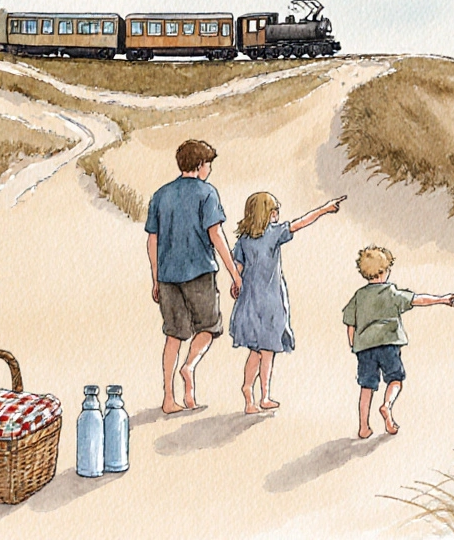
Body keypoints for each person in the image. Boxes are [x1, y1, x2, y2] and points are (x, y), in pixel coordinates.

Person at [146, 139, 243, 414]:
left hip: (167, 275)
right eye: (208, 164)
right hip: (199, 271)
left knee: (173, 335)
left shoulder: (161, 195)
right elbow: (216, 235)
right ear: (200, 165)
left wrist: (155, 278)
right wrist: (235, 274)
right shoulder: (207, 193)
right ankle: (189, 366)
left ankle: (168, 398)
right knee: (210, 326)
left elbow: (152, 240)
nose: (209, 169)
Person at [229, 192, 346, 414]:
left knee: (256, 350)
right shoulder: (274, 233)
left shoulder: (244, 239)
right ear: (267, 214)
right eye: (274, 211)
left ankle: (248, 390)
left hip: (250, 299)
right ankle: (264, 395)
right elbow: (300, 223)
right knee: (268, 349)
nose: (277, 215)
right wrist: (325, 209)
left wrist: (235, 283)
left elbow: (238, 267)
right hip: (271, 298)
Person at [341, 246, 454, 439]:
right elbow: (417, 299)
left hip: (365, 348)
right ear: (384, 271)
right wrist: (443, 300)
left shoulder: (359, 296)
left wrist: (354, 345)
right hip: (389, 344)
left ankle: (363, 427)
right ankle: (387, 406)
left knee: (366, 387)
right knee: (395, 379)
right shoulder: (391, 292)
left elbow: (350, 323)